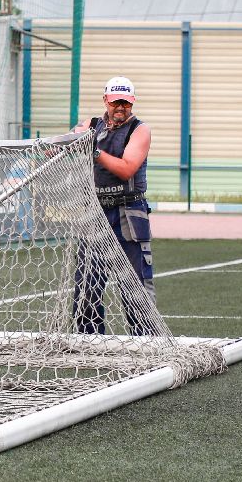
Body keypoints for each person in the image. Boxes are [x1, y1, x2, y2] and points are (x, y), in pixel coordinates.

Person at [73, 75, 155, 335]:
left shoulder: (140, 130)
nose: (120, 108)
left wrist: (94, 151)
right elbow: (66, 142)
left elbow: (127, 169)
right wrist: (52, 147)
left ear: (132, 103)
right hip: (94, 214)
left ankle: (145, 341)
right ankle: (88, 339)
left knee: (134, 283)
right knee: (87, 282)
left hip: (128, 214)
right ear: (105, 100)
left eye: (126, 103)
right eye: (115, 102)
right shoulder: (90, 125)